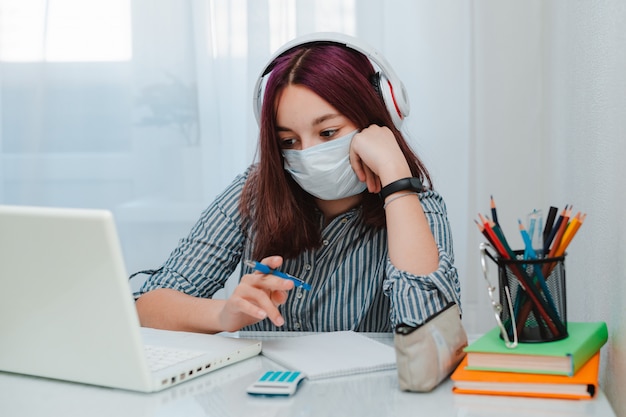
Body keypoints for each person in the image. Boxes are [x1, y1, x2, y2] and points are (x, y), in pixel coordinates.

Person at [134, 32, 460, 334]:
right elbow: (146, 306)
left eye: (328, 133)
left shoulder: (419, 209)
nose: (309, 154)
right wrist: (224, 315)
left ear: (375, 118)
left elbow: (431, 337)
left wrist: (394, 174)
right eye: (289, 141)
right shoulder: (254, 191)